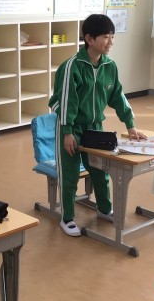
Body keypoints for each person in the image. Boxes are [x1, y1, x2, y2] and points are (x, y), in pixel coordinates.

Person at [48, 14, 146, 237]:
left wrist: (130, 125)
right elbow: (65, 102)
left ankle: (104, 208)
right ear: (89, 39)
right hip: (70, 128)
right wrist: (67, 132)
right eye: (106, 37)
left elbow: (118, 96)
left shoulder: (109, 66)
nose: (111, 42)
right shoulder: (72, 67)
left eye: (112, 36)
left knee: (100, 171)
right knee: (70, 175)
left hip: (94, 128)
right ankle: (67, 218)